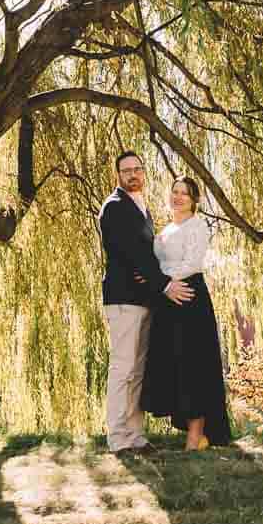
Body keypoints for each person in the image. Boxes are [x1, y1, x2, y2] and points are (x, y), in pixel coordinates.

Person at [98, 151, 193, 456]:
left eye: (137, 169)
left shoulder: (142, 208)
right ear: (118, 175)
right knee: (123, 369)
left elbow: (149, 255)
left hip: (143, 300)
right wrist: (163, 283)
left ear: (144, 172)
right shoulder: (114, 208)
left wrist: (154, 277)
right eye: (126, 171)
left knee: (138, 371)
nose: (133, 174)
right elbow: (131, 254)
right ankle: (117, 438)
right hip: (124, 300)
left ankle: (135, 435)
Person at [140, 176, 233, 449]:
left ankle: (196, 435)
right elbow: (155, 263)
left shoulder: (197, 225)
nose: (178, 197)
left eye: (185, 194)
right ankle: (188, 430)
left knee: (194, 365)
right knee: (174, 363)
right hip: (167, 299)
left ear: (194, 201)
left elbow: (192, 263)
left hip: (190, 296)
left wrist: (162, 281)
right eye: (175, 192)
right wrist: (162, 285)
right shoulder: (165, 230)